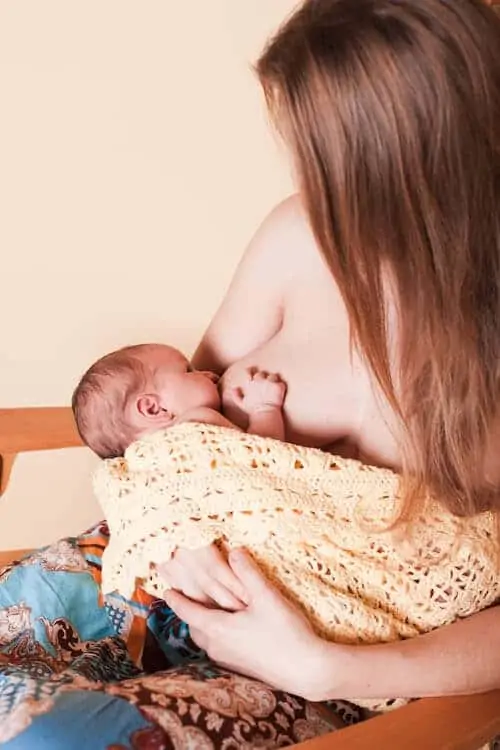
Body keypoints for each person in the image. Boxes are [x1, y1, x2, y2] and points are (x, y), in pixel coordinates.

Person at [159, 0, 500, 705]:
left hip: (376, 690)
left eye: (324, 153)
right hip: (176, 597)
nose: (306, 176)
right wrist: (175, 524)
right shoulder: (296, 234)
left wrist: (324, 669)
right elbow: (173, 433)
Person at [71, 342, 286, 458]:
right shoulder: (194, 423)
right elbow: (265, 457)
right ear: (154, 408)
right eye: (188, 370)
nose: (209, 374)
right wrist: (265, 408)